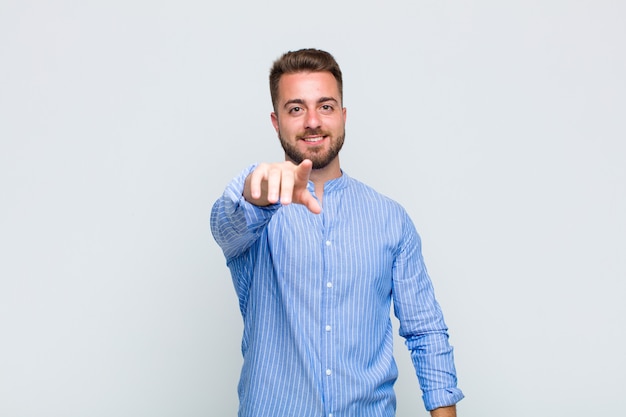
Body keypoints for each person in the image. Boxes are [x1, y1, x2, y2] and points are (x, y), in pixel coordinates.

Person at [211, 48, 464, 417]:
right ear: (275, 121)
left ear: (343, 116)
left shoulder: (390, 219)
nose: (312, 121)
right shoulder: (253, 214)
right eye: (296, 108)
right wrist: (255, 191)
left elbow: (426, 332)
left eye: (325, 106)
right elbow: (225, 223)